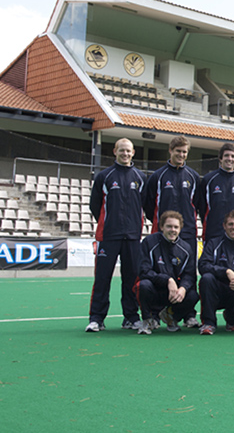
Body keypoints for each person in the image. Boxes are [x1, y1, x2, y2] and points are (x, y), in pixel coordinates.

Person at [86, 138, 146, 332]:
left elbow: (146, 205)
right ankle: (97, 319)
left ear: (133, 153)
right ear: (115, 151)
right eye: (122, 150)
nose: (125, 154)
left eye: (128, 151)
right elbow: (95, 205)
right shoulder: (104, 176)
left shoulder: (140, 177)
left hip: (132, 237)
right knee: (102, 278)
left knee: (131, 279)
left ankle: (130, 317)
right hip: (108, 236)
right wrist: (108, 223)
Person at [142, 135, 201, 328]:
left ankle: (188, 314)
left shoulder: (193, 177)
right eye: (178, 151)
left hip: (188, 232)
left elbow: (199, 204)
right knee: (159, 271)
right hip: (164, 232)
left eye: (184, 152)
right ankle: (154, 314)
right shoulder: (158, 176)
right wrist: (162, 225)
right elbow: (149, 204)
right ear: (171, 151)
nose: (181, 155)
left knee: (189, 275)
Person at [136, 211, 199, 334]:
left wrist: (183, 289)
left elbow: (189, 275)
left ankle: (171, 316)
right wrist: (168, 280)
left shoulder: (186, 249)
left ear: (180, 229)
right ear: (161, 227)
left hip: (172, 294)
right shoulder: (149, 242)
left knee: (193, 295)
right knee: (143, 285)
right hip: (154, 289)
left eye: (176, 227)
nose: (172, 230)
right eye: (169, 226)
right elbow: (144, 271)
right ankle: (147, 320)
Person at [197, 211, 234, 335]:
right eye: (230, 224)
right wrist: (226, 271)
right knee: (207, 279)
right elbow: (203, 266)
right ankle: (209, 323)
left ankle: (231, 319)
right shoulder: (214, 244)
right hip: (216, 291)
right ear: (224, 226)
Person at [195, 143, 234, 242]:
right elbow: (202, 207)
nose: (230, 159)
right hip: (213, 232)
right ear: (220, 158)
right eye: (226, 155)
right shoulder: (208, 179)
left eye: (233, 156)